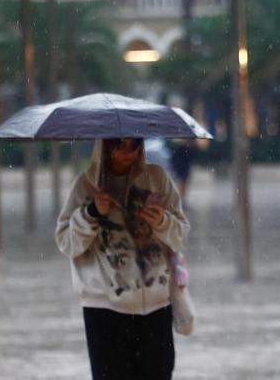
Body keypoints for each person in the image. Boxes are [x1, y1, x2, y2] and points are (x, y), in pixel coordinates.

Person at [56, 138, 190, 380]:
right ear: (105, 146)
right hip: (104, 310)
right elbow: (66, 243)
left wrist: (162, 221)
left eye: (135, 144)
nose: (128, 152)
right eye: (120, 144)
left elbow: (180, 234)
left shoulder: (157, 179)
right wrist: (91, 213)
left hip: (156, 307)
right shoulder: (86, 187)